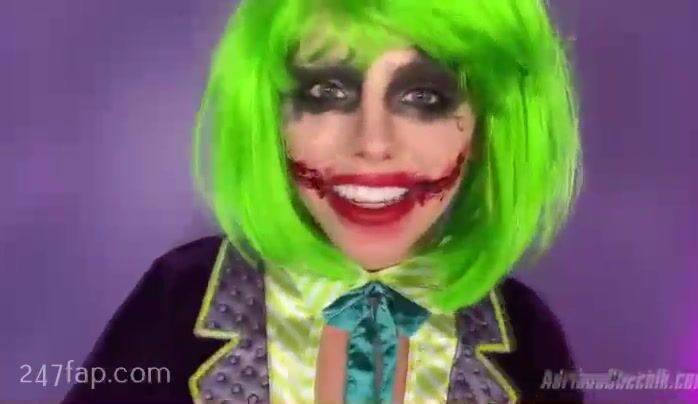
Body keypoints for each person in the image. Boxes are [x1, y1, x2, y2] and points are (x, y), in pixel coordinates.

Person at [63, 0, 584, 402]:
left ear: (490, 125)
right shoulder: (178, 302)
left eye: (424, 97)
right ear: (270, 115)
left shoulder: (526, 337)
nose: (373, 144)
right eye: (326, 93)